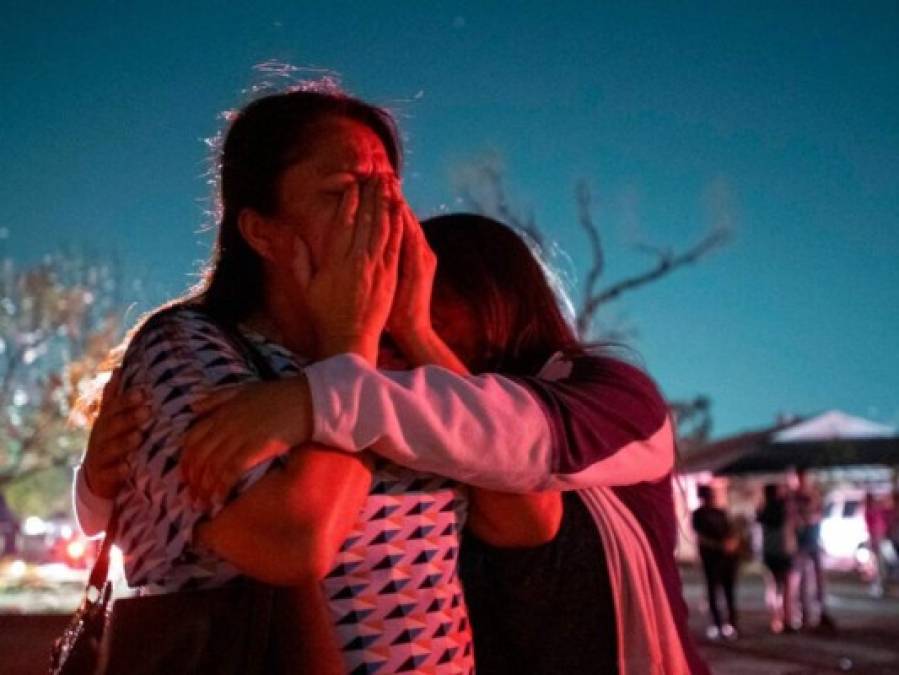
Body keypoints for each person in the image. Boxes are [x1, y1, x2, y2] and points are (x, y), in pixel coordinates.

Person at [80, 212, 707, 673]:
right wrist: (100, 483)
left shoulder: (608, 394)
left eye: (420, 292)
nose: (389, 310)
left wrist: (316, 397)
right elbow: (235, 493)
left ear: (493, 293)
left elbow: (519, 456)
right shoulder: (404, 407)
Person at [75, 87, 564, 674]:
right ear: (263, 232)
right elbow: (295, 542)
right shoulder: (185, 348)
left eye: (388, 193)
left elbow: (531, 518)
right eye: (343, 194)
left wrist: (415, 332)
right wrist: (349, 348)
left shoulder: (401, 362)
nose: (379, 219)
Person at [691, 484, 739, 639]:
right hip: (715, 557)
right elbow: (701, 537)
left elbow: (731, 532)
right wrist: (723, 545)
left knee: (722, 591)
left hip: (719, 557)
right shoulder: (701, 514)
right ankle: (724, 624)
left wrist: (729, 544)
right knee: (720, 591)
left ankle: (726, 624)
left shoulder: (715, 513)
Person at [792, 468, 835, 630]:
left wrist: (810, 516)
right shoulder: (794, 497)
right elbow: (795, 517)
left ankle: (821, 612)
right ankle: (804, 615)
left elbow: (818, 513)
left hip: (813, 540)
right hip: (801, 542)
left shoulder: (812, 494)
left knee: (818, 579)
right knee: (802, 579)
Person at [757, 483, 797, 633]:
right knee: (786, 586)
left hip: (769, 552)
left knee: (772, 586)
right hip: (783, 550)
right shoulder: (783, 508)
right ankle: (787, 619)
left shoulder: (764, 509)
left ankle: (775, 619)